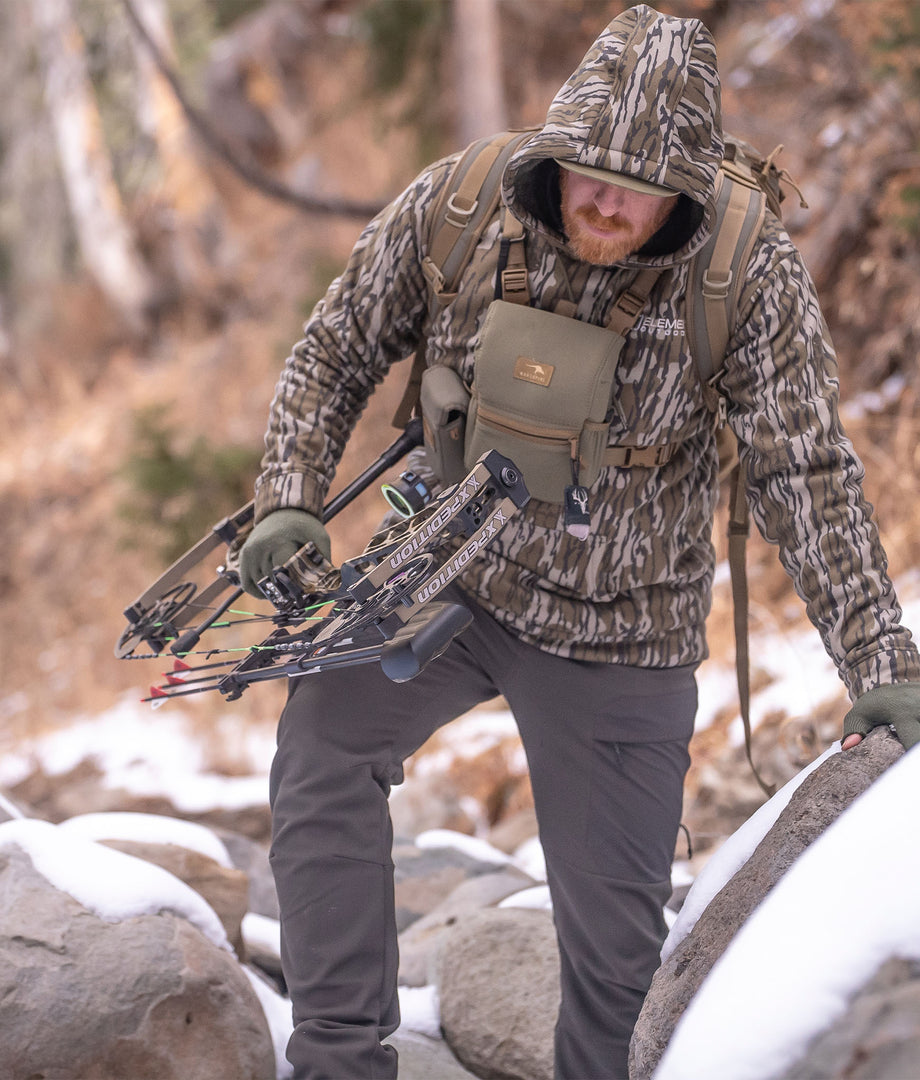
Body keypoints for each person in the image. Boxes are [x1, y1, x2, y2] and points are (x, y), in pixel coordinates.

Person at [237, 5, 920, 1078]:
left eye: (637, 193)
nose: (605, 205)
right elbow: (332, 352)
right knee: (322, 751)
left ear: (685, 196)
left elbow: (803, 469)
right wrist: (290, 500)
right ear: (555, 155)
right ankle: (335, 1056)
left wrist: (879, 667)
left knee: (616, 967)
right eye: (588, 176)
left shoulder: (745, 275)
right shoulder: (460, 206)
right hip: (442, 571)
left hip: (624, 628)